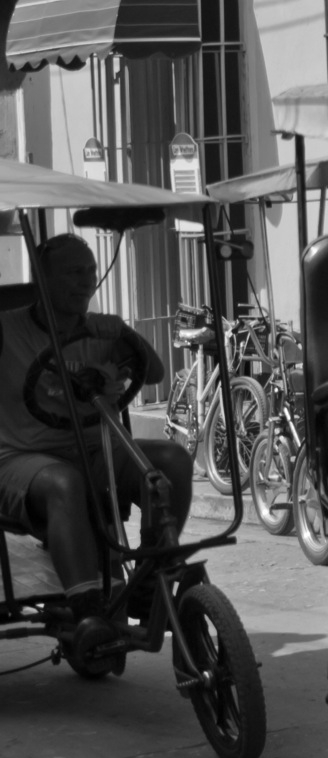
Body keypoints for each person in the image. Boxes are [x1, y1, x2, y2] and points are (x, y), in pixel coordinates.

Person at [0, 235, 191, 609]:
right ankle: (85, 604)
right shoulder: (7, 328)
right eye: (74, 273)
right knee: (65, 481)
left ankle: (150, 573)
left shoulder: (102, 329)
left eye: (90, 272)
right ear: (42, 279)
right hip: (21, 458)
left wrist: (122, 331)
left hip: (95, 449)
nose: (86, 281)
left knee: (172, 460)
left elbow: (154, 372)